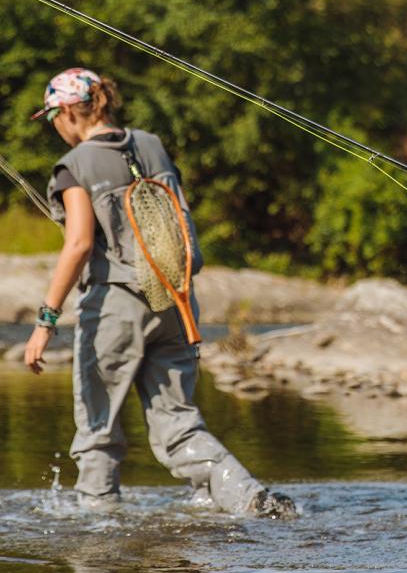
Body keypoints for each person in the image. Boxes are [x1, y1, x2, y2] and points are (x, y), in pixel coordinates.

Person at [20, 67, 295, 518]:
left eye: (53, 117)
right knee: (180, 425)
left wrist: (44, 322)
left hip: (115, 309)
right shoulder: (151, 145)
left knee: (98, 428)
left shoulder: (74, 166)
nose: (53, 127)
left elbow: (80, 243)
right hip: (176, 301)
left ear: (69, 112)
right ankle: (249, 498)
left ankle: (99, 532)